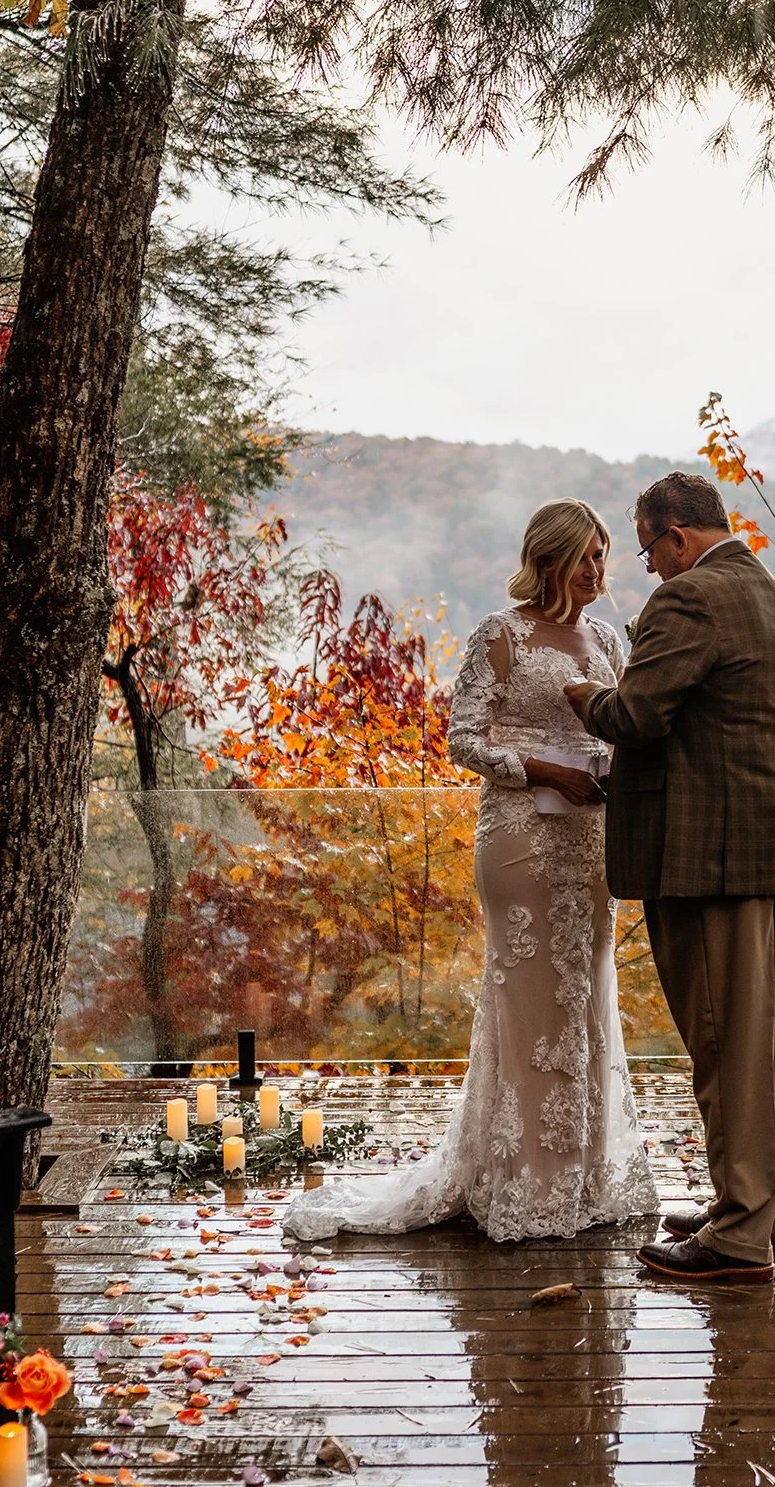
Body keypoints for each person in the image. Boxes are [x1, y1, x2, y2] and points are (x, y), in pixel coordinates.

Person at [283, 498, 659, 1242]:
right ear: (549, 558)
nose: (598, 570)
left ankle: (584, 1176)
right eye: (586, 555)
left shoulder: (610, 640)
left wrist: (610, 774)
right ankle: (522, 1180)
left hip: (591, 838)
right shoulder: (501, 635)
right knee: (528, 997)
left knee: (586, 991)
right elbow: (462, 741)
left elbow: (624, 728)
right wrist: (541, 765)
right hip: (520, 838)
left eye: (604, 555)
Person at [563, 471, 775, 1282]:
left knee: (721, 1043)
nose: (650, 569)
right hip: (770, 850)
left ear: (676, 536)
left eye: (648, 551)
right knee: (759, 1043)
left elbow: (634, 716)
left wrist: (580, 692)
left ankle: (738, 1234)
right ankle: (761, 1209)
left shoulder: (692, 598)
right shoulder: (769, 592)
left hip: (706, 858)